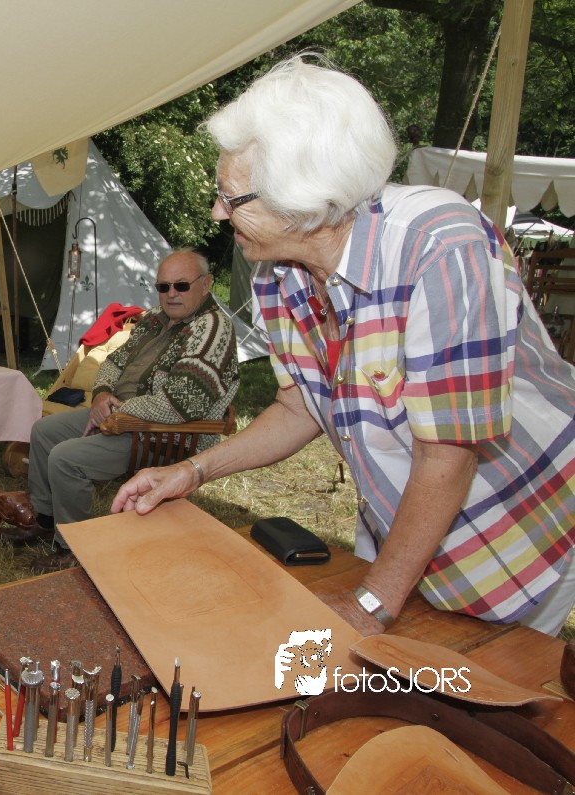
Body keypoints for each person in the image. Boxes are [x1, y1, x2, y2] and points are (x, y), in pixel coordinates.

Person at [113, 55, 575, 636]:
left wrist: (371, 604)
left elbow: (449, 455)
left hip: (517, 528)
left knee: (484, 681)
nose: (216, 212)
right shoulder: (278, 273)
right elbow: (300, 406)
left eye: (232, 199)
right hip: (399, 521)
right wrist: (193, 470)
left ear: (306, 199)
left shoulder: (440, 246)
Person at [3, 248, 238, 573]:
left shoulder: (212, 328)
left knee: (67, 459)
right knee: (44, 431)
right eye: (163, 286)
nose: (171, 294)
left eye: (181, 286)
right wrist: (101, 395)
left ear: (206, 284)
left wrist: (118, 412)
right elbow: (114, 361)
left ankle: (75, 548)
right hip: (123, 418)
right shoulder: (155, 318)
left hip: (166, 434)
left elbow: (182, 404)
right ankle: (45, 521)